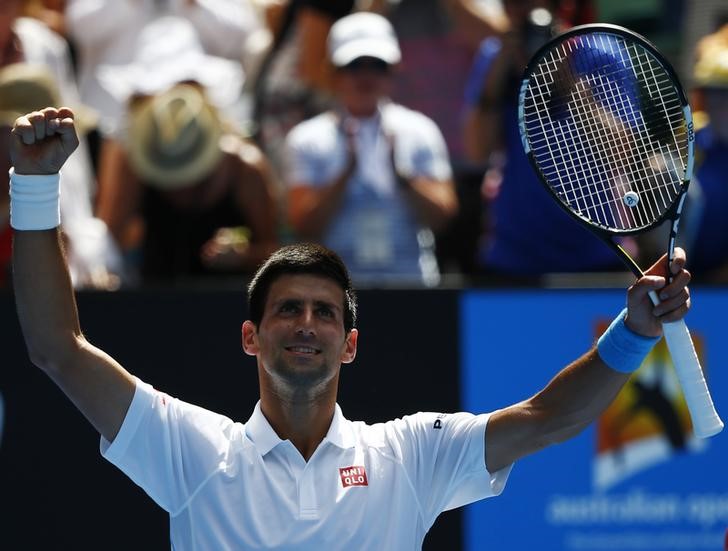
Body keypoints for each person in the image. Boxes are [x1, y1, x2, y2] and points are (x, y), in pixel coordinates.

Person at [10, 107, 694, 549]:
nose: (306, 324)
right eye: (287, 309)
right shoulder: (190, 449)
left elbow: (547, 417)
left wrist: (633, 331)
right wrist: (35, 187)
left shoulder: (410, 456)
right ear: (251, 336)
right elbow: (58, 351)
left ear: (351, 342)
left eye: (325, 312)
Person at [93, 17, 279, 284]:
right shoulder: (127, 159)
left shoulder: (245, 167)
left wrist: (244, 255)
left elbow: (274, 254)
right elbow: (112, 242)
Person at [285, 12, 458, 287]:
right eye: (355, 65)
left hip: (411, 287)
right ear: (333, 71)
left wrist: (402, 177)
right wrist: (345, 173)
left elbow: (443, 218)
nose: (366, 76)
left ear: (394, 69)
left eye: (377, 65)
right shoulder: (306, 139)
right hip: (339, 293)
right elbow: (303, 227)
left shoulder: (420, 130)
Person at [462, 0, 627, 280]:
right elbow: (477, 152)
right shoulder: (495, 56)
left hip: (594, 250)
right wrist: (502, 67)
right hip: (513, 255)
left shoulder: (600, 53)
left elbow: (623, 152)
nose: (515, 11)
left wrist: (565, 77)